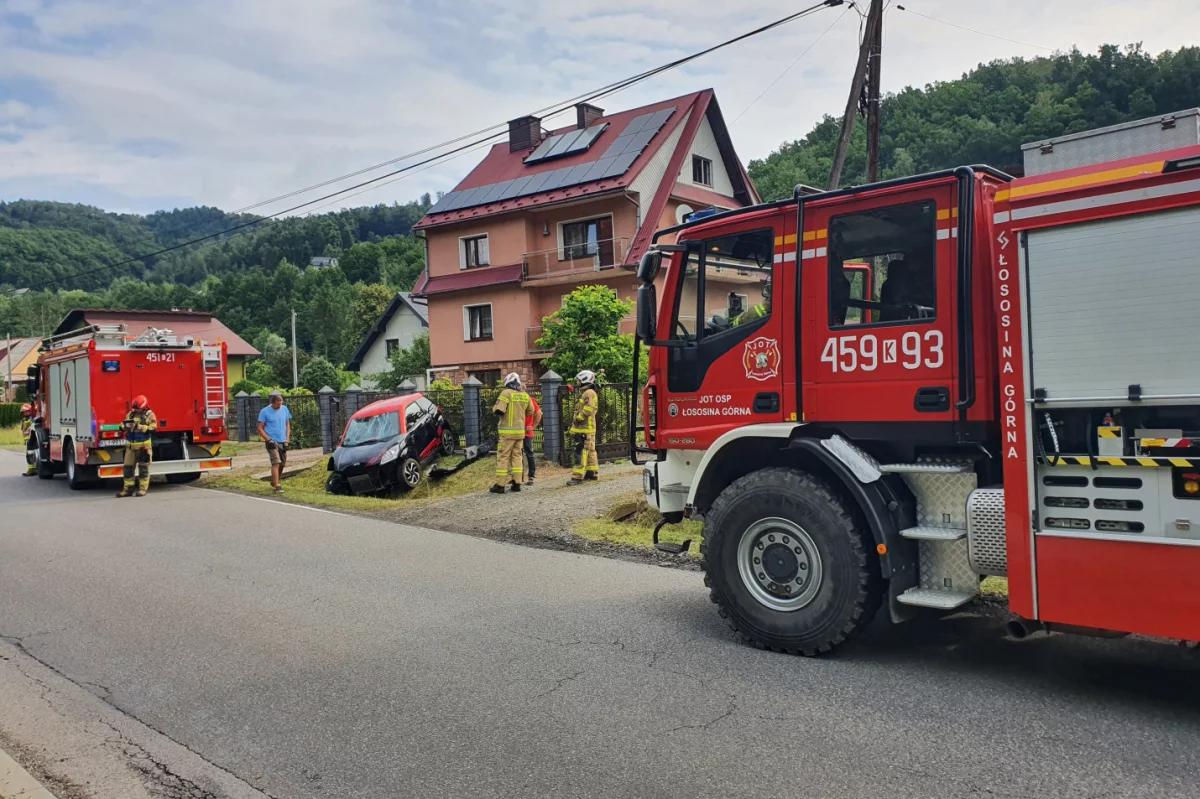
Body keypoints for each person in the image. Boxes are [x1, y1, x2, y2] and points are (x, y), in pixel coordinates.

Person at [490, 373, 530, 494]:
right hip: (520, 433)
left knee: (503, 457)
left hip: (507, 434)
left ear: (508, 383)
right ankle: (517, 483)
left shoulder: (506, 393)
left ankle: (500, 485)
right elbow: (531, 411)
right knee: (517, 457)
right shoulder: (525, 395)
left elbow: (498, 409)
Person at [117, 395, 156, 498]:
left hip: (143, 447)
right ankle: (128, 490)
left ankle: (142, 490)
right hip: (130, 447)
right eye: (134, 408)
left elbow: (153, 429)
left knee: (143, 469)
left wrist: (139, 426)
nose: (136, 410)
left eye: (138, 408)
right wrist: (124, 426)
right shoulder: (130, 414)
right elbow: (122, 425)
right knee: (128, 469)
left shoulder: (150, 415)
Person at [567, 369, 599, 486]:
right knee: (590, 451)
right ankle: (591, 472)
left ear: (584, 380)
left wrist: (578, 419)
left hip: (584, 429)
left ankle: (577, 477)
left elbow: (588, 409)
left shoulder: (588, 393)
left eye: (579, 380)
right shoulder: (588, 392)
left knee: (580, 452)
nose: (578, 382)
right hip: (588, 428)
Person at [257, 391, 292, 494]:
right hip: (272, 441)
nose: (279, 406)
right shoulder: (265, 411)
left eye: (281, 403)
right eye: (277, 404)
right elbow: (260, 427)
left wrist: (287, 439)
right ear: (273, 403)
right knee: (275, 462)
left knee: (283, 463)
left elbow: (287, 425)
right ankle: (277, 485)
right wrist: (268, 439)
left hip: (282, 440)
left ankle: (275, 481)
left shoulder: (284, 409)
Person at [523, 391, 543, 485]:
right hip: (517, 432)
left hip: (526, 432)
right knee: (517, 455)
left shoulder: (530, 400)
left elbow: (539, 413)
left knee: (529, 454)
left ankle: (531, 476)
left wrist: (533, 426)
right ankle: (518, 477)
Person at [19, 403, 36, 477]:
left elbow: (32, 428)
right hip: (28, 440)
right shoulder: (24, 419)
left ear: (29, 411)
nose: (24, 413)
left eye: (26, 411)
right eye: (23, 412)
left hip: (32, 440)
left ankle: (32, 470)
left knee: (30, 454)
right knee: (29, 455)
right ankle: (32, 469)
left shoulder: (31, 419)